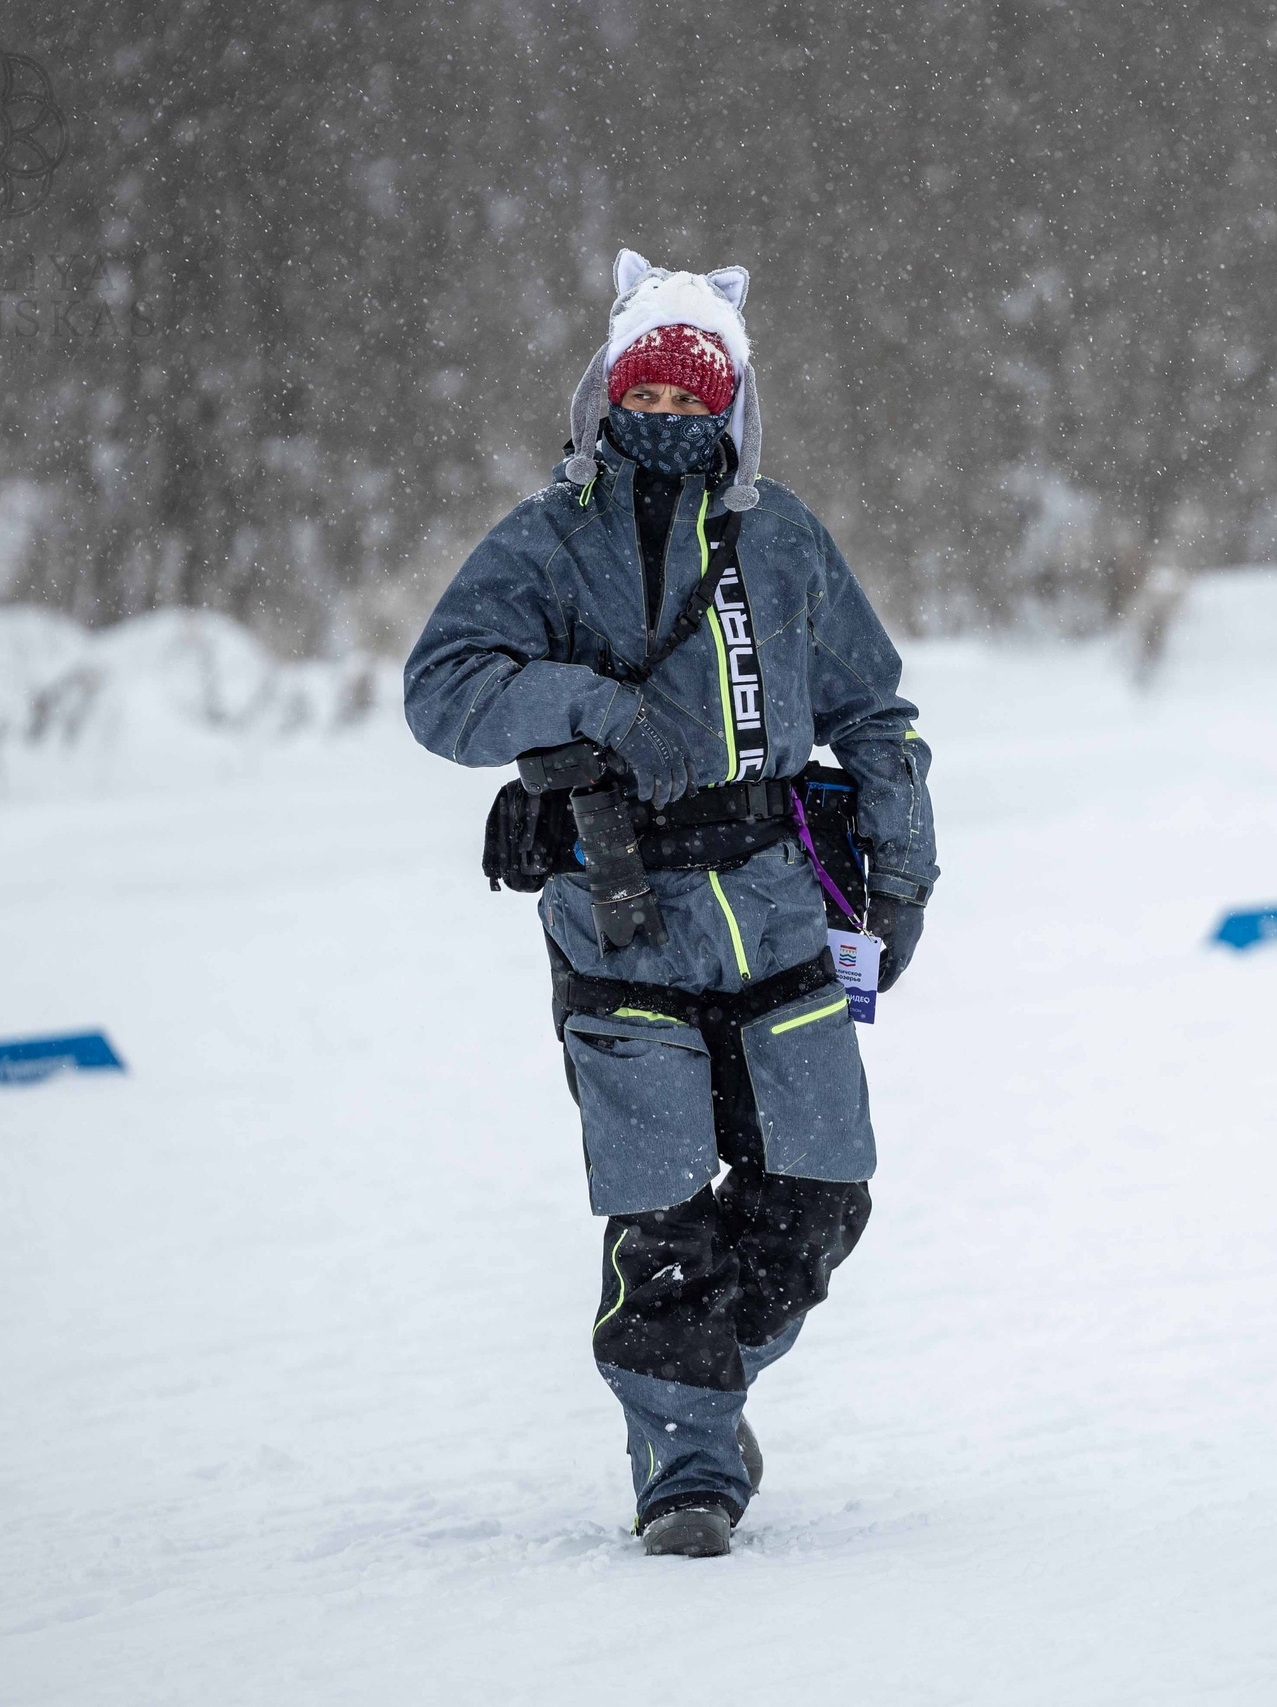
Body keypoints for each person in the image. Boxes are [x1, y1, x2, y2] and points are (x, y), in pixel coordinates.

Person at [403, 250, 937, 1557]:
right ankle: (685, 1467)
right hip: (618, 916)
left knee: (820, 1194)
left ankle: (706, 1376)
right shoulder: (547, 539)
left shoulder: (783, 538)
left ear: (732, 406)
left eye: (691, 399)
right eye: (643, 396)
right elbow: (442, 688)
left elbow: (875, 712)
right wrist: (589, 708)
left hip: (780, 913)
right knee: (662, 1218)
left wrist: (902, 872)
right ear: (604, 396)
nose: (665, 418)